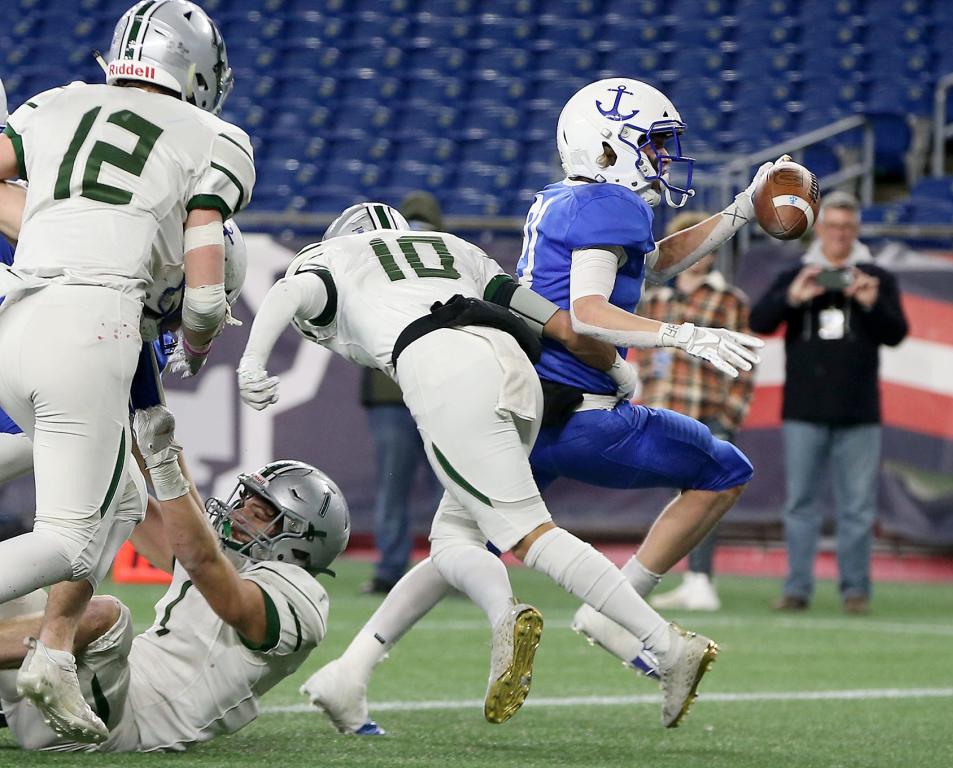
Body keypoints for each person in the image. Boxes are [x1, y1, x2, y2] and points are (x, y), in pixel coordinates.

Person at [299, 78, 776, 737]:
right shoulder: (611, 205)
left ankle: (350, 672)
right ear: (609, 148)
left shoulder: (566, 200)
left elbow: (649, 266)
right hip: (581, 412)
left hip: (519, 408)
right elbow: (587, 313)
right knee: (723, 469)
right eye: (656, 144)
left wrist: (739, 213)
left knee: (453, 546)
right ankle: (620, 611)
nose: (666, 159)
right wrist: (680, 335)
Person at [236, 201, 734, 731]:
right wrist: (615, 368)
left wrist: (251, 362)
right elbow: (556, 323)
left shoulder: (336, 255)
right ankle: (349, 677)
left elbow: (289, 292)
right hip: (516, 368)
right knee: (453, 540)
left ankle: (658, 643)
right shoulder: (453, 249)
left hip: (443, 367)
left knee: (527, 533)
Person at [0, 0, 254, 742]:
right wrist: (201, 339)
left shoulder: (54, 103)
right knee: (70, 542)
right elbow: (203, 300)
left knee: (119, 494)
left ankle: (50, 653)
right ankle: (47, 651)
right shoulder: (212, 137)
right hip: (86, 324)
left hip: (19, 314)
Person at [0, 405, 348, 752]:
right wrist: (123, 408)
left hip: (110, 724)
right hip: (74, 686)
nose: (240, 513)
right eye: (244, 501)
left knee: (105, 617)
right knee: (16, 575)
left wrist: (163, 464)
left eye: (260, 514)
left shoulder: (301, 596)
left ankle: (45, 665)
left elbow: (207, 566)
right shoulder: (224, 560)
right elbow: (140, 506)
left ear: (303, 542)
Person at [749, 191, 908, 614]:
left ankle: (855, 590)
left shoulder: (876, 275)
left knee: (858, 509)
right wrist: (793, 298)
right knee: (800, 505)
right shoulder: (797, 272)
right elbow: (759, 322)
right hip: (803, 409)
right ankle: (796, 589)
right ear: (819, 228)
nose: (840, 235)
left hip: (859, 411)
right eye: (833, 226)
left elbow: (896, 333)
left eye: (848, 228)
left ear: (856, 231)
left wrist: (871, 304)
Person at [636, 211, 757, 611]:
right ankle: (686, 576)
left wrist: (730, 415)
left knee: (707, 494)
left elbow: (745, 363)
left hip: (707, 410)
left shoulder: (728, 299)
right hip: (663, 409)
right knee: (677, 497)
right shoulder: (654, 297)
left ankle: (702, 577)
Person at [357, 192, 445, 594]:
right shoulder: (451, 264)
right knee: (455, 486)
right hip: (432, 390)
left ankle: (395, 569)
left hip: (395, 391)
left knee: (397, 486)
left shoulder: (378, 266)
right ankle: (456, 566)